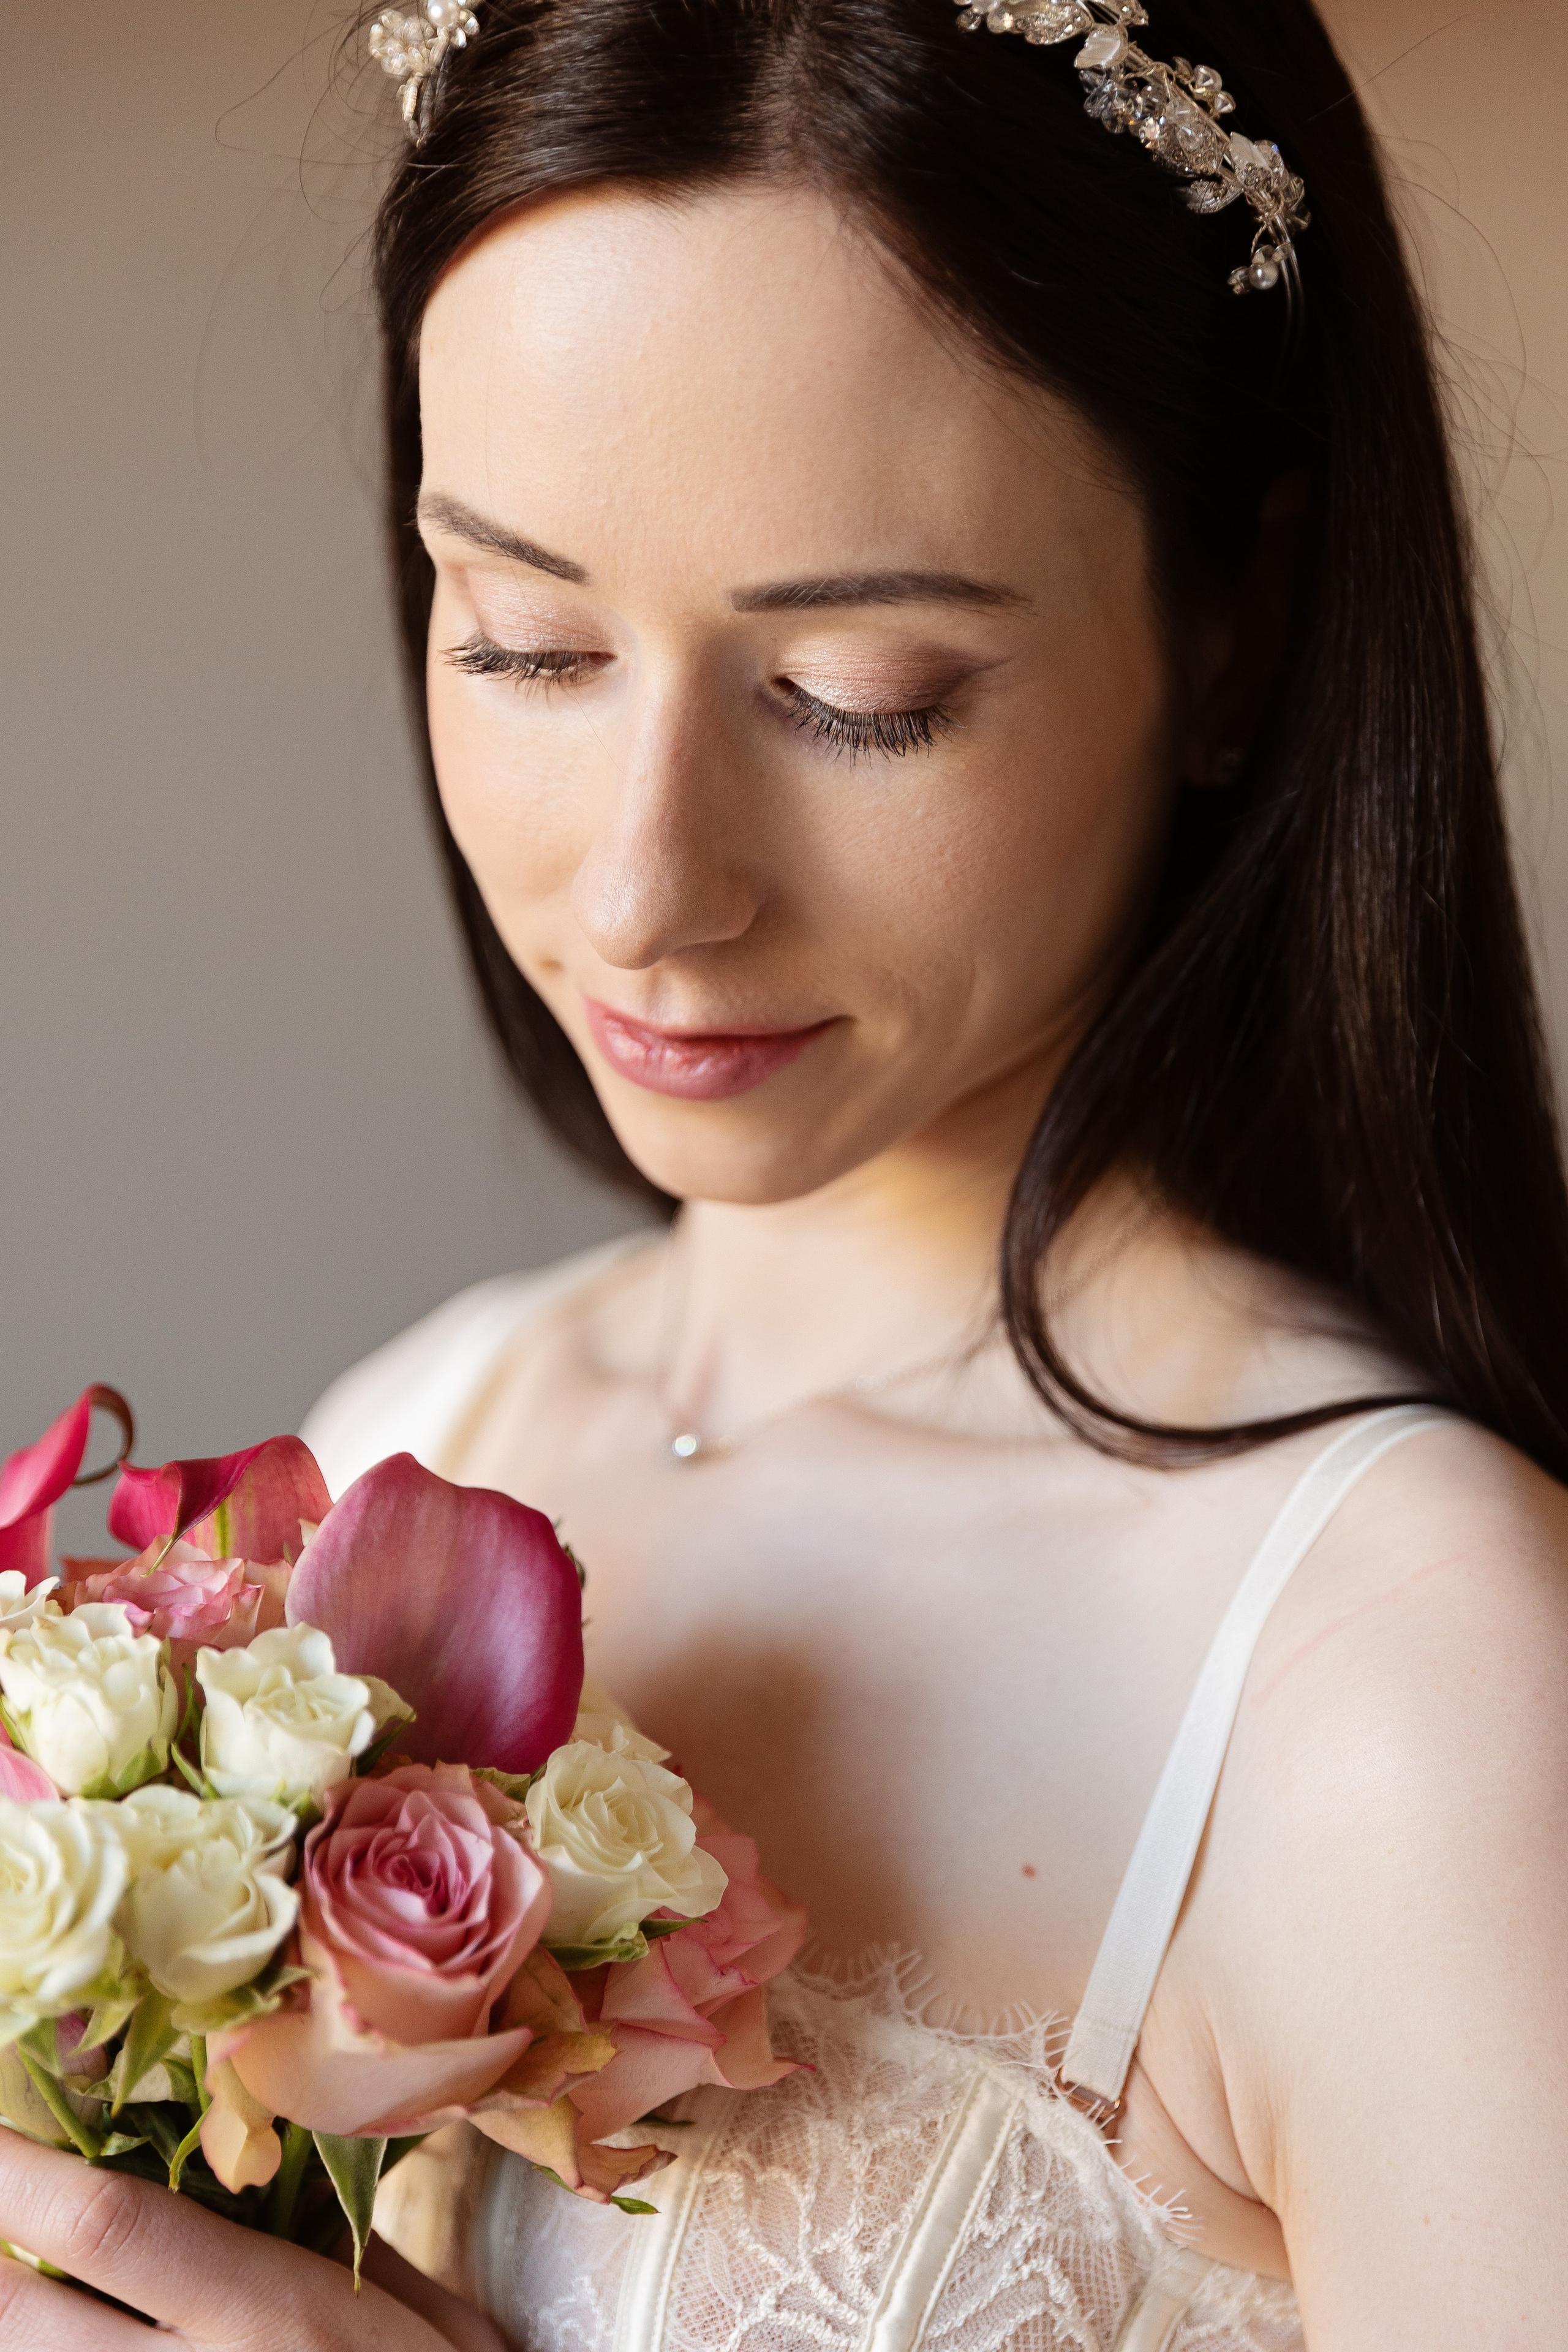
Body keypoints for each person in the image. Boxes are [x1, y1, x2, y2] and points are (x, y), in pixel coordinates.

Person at [4, 1, 1566, 2345]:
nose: (647, 890)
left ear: (1236, 631)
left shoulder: (1404, 1690)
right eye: (525, 642)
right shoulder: (437, 1428)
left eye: (859, 694)